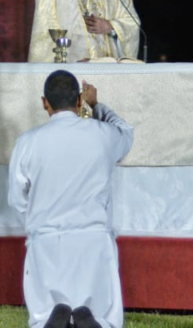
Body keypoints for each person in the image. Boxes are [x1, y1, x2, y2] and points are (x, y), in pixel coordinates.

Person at [8, 70, 134, 328]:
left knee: (42, 317)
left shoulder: (27, 142)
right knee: (104, 315)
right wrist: (97, 105)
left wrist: (37, 218)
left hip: (47, 242)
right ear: (79, 101)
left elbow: (17, 199)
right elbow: (126, 133)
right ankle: (93, 321)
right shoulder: (102, 134)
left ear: (45, 103)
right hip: (93, 241)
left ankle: (53, 321)